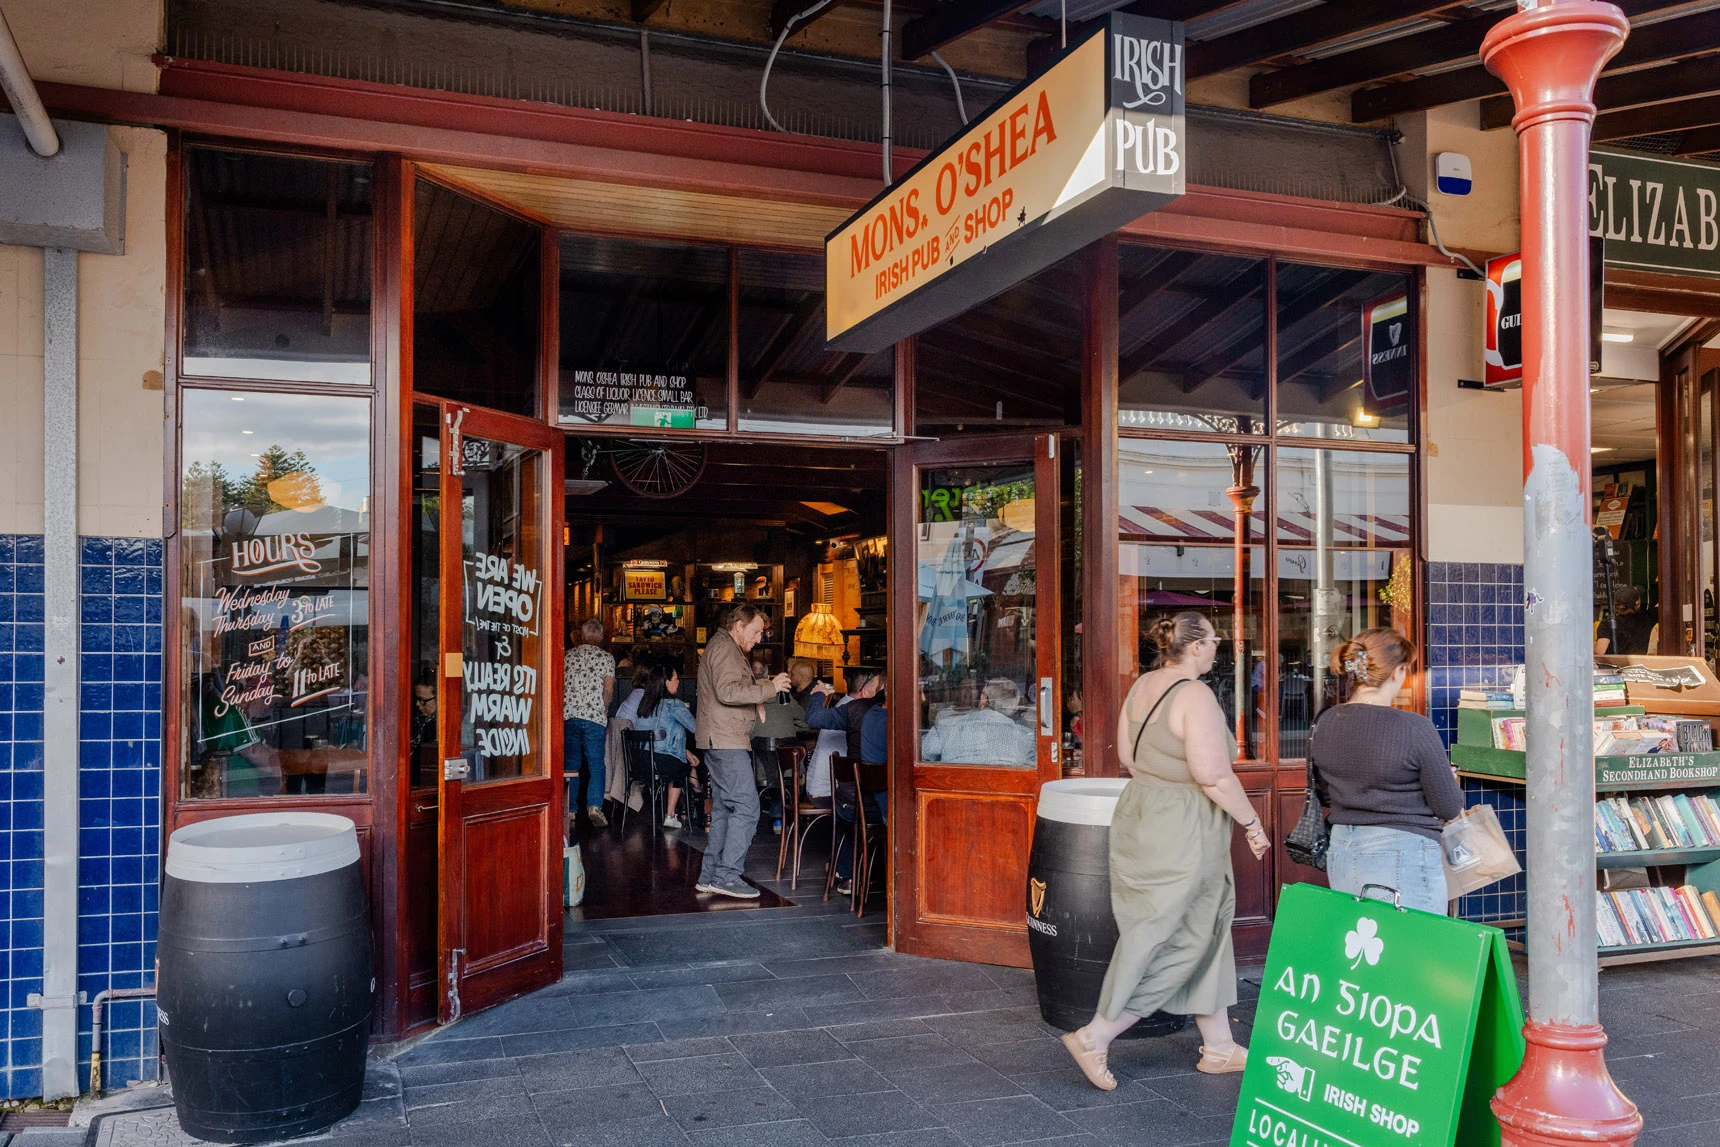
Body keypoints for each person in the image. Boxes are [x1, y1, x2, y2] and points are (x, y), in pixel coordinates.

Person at [1062, 612, 1270, 1091]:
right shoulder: (1195, 695)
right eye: (1214, 640)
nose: (1218, 647)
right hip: (1185, 826)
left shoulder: (1142, 686)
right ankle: (1096, 1035)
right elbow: (1213, 775)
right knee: (1177, 936)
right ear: (1195, 647)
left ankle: (1219, 1046)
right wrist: (1252, 823)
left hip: (1143, 814)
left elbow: (1129, 757)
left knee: (1200, 924)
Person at [1313, 627, 1465, 916]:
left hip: (1342, 847)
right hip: (1402, 851)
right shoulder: (1414, 727)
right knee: (1414, 942)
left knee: (1362, 941)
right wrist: (1449, 777)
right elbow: (1448, 806)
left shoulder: (1325, 722)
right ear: (1397, 672)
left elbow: (1325, 793)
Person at [694, 605, 792, 899]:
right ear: (738, 625)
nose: (760, 638)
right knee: (748, 807)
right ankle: (727, 876)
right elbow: (728, 691)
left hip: (721, 738)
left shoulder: (722, 645)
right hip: (726, 740)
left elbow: (732, 687)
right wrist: (769, 689)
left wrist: (759, 693)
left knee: (725, 809)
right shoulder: (725, 649)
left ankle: (710, 875)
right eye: (756, 631)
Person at [632, 662, 699, 829]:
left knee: (680, 760)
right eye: (676, 678)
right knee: (682, 766)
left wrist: (683, 750)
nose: (678, 682)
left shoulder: (644, 705)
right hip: (661, 763)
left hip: (639, 763)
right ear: (667, 683)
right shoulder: (674, 704)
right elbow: (696, 729)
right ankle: (670, 815)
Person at [832, 693, 888, 895]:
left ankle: (848, 873)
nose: (923, 699)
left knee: (849, 816)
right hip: (873, 806)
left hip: (848, 802)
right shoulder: (891, 722)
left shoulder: (869, 715)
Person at [563, 619, 615, 827]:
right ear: (601, 637)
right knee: (596, 764)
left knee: (571, 764)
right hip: (594, 717)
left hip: (569, 715)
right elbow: (608, 690)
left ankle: (571, 810)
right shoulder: (606, 658)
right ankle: (594, 806)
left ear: (582, 636)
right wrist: (605, 709)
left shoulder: (567, 656)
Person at [920, 678, 1036, 765]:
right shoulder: (1027, 738)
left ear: (982, 699)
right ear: (1015, 709)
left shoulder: (947, 727)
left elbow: (920, 755)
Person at [806, 669, 882, 800]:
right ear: (864, 692)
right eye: (879, 689)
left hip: (821, 788)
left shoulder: (844, 705)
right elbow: (813, 717)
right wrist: (819, 694)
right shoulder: (855, 711)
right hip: (829, 792)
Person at [1598, 584, 1657, 656]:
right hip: (1637, 662)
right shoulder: (1648, 618)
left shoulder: (1606, 624)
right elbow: (1665, 603)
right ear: (1637, 603)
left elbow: (1600, 651)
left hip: (1614, 663)